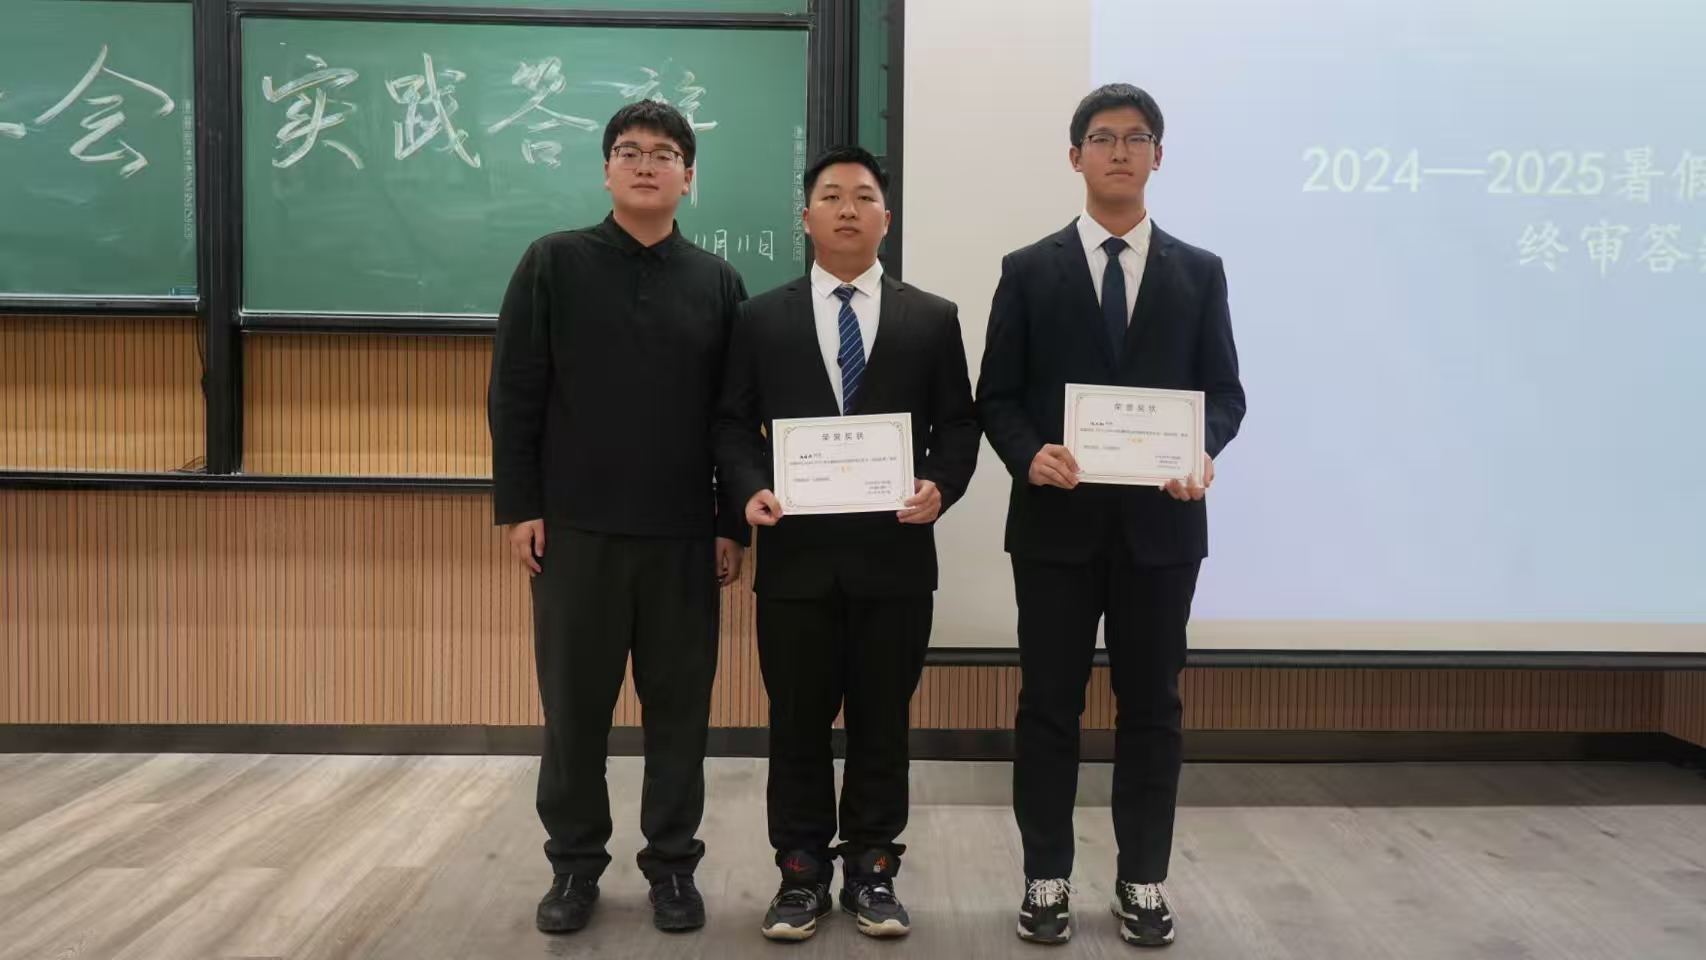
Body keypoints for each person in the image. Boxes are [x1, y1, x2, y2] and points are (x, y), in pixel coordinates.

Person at [976, 83, 1246, 948]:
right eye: (1102, 137)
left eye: (1136, 138)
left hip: (1162, 532)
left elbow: (1226, 394)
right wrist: (1030, 455)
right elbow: (997, 396)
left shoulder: (1199, 272)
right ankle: (1046, 876)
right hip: (1055, 528)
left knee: (1153, 708)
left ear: (1158, 156)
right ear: (1075, 156)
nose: (1119, 151)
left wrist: (1200, 450)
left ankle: (1142, 878)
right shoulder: (1028, 269)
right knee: (1048, 706)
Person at [488, 99, 748, 937]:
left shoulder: (717, 282)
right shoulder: (553, 262)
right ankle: (574, 866)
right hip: (576, 533)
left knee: (680, 715)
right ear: (606, 171)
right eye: (629, 151)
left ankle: (672, 868)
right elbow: (515, 393)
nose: (645, 164)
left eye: (664, 153)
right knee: (574, 713)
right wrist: (521, 507)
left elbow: (734, 417)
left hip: (683, 539)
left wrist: (729, 524)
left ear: (688, 177)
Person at [714, 146, 979, 942]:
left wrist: (940, 485)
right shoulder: (761, 318)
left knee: (881, 724)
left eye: (864, 196)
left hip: (895, 562)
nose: (848, 209)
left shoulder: (931, 317)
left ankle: (873, 868)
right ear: (806, 218)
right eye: (831, 196)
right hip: (795, 563)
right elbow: (731, 423)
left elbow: (959, 426)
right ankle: (800, 873)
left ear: (886, 219)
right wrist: (749, 487)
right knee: (796, 723)